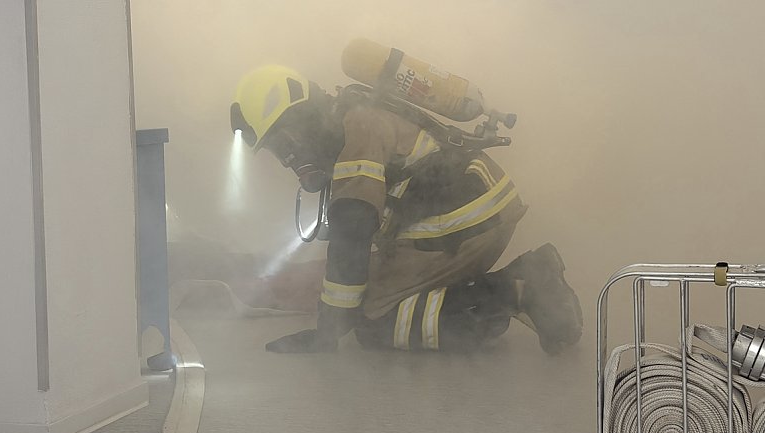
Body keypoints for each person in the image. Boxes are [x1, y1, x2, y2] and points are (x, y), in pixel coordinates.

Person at [230, 65, 582, 354]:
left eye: (283, 145)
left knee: (373, 322)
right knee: (370, 295)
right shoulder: (354, 117)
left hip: (461, 223)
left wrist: (330, 329)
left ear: (297, 121)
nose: (288, 159)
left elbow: (353, 228)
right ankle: (507, 289)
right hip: (475, 214)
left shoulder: (358, 127)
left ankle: (516, 289)